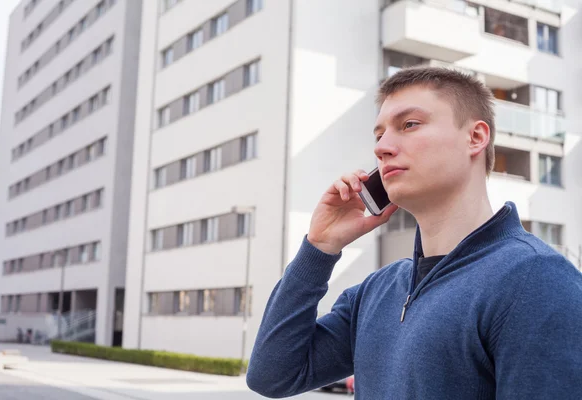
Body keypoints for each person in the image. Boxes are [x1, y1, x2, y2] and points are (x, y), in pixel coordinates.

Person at [246, 66, 582, 399]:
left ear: (476, 137)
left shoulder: (536, 280)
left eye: (409, 124)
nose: (382, 148)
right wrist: (319, 248)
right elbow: (273, 376)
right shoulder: (376, 292)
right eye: (379, 135)